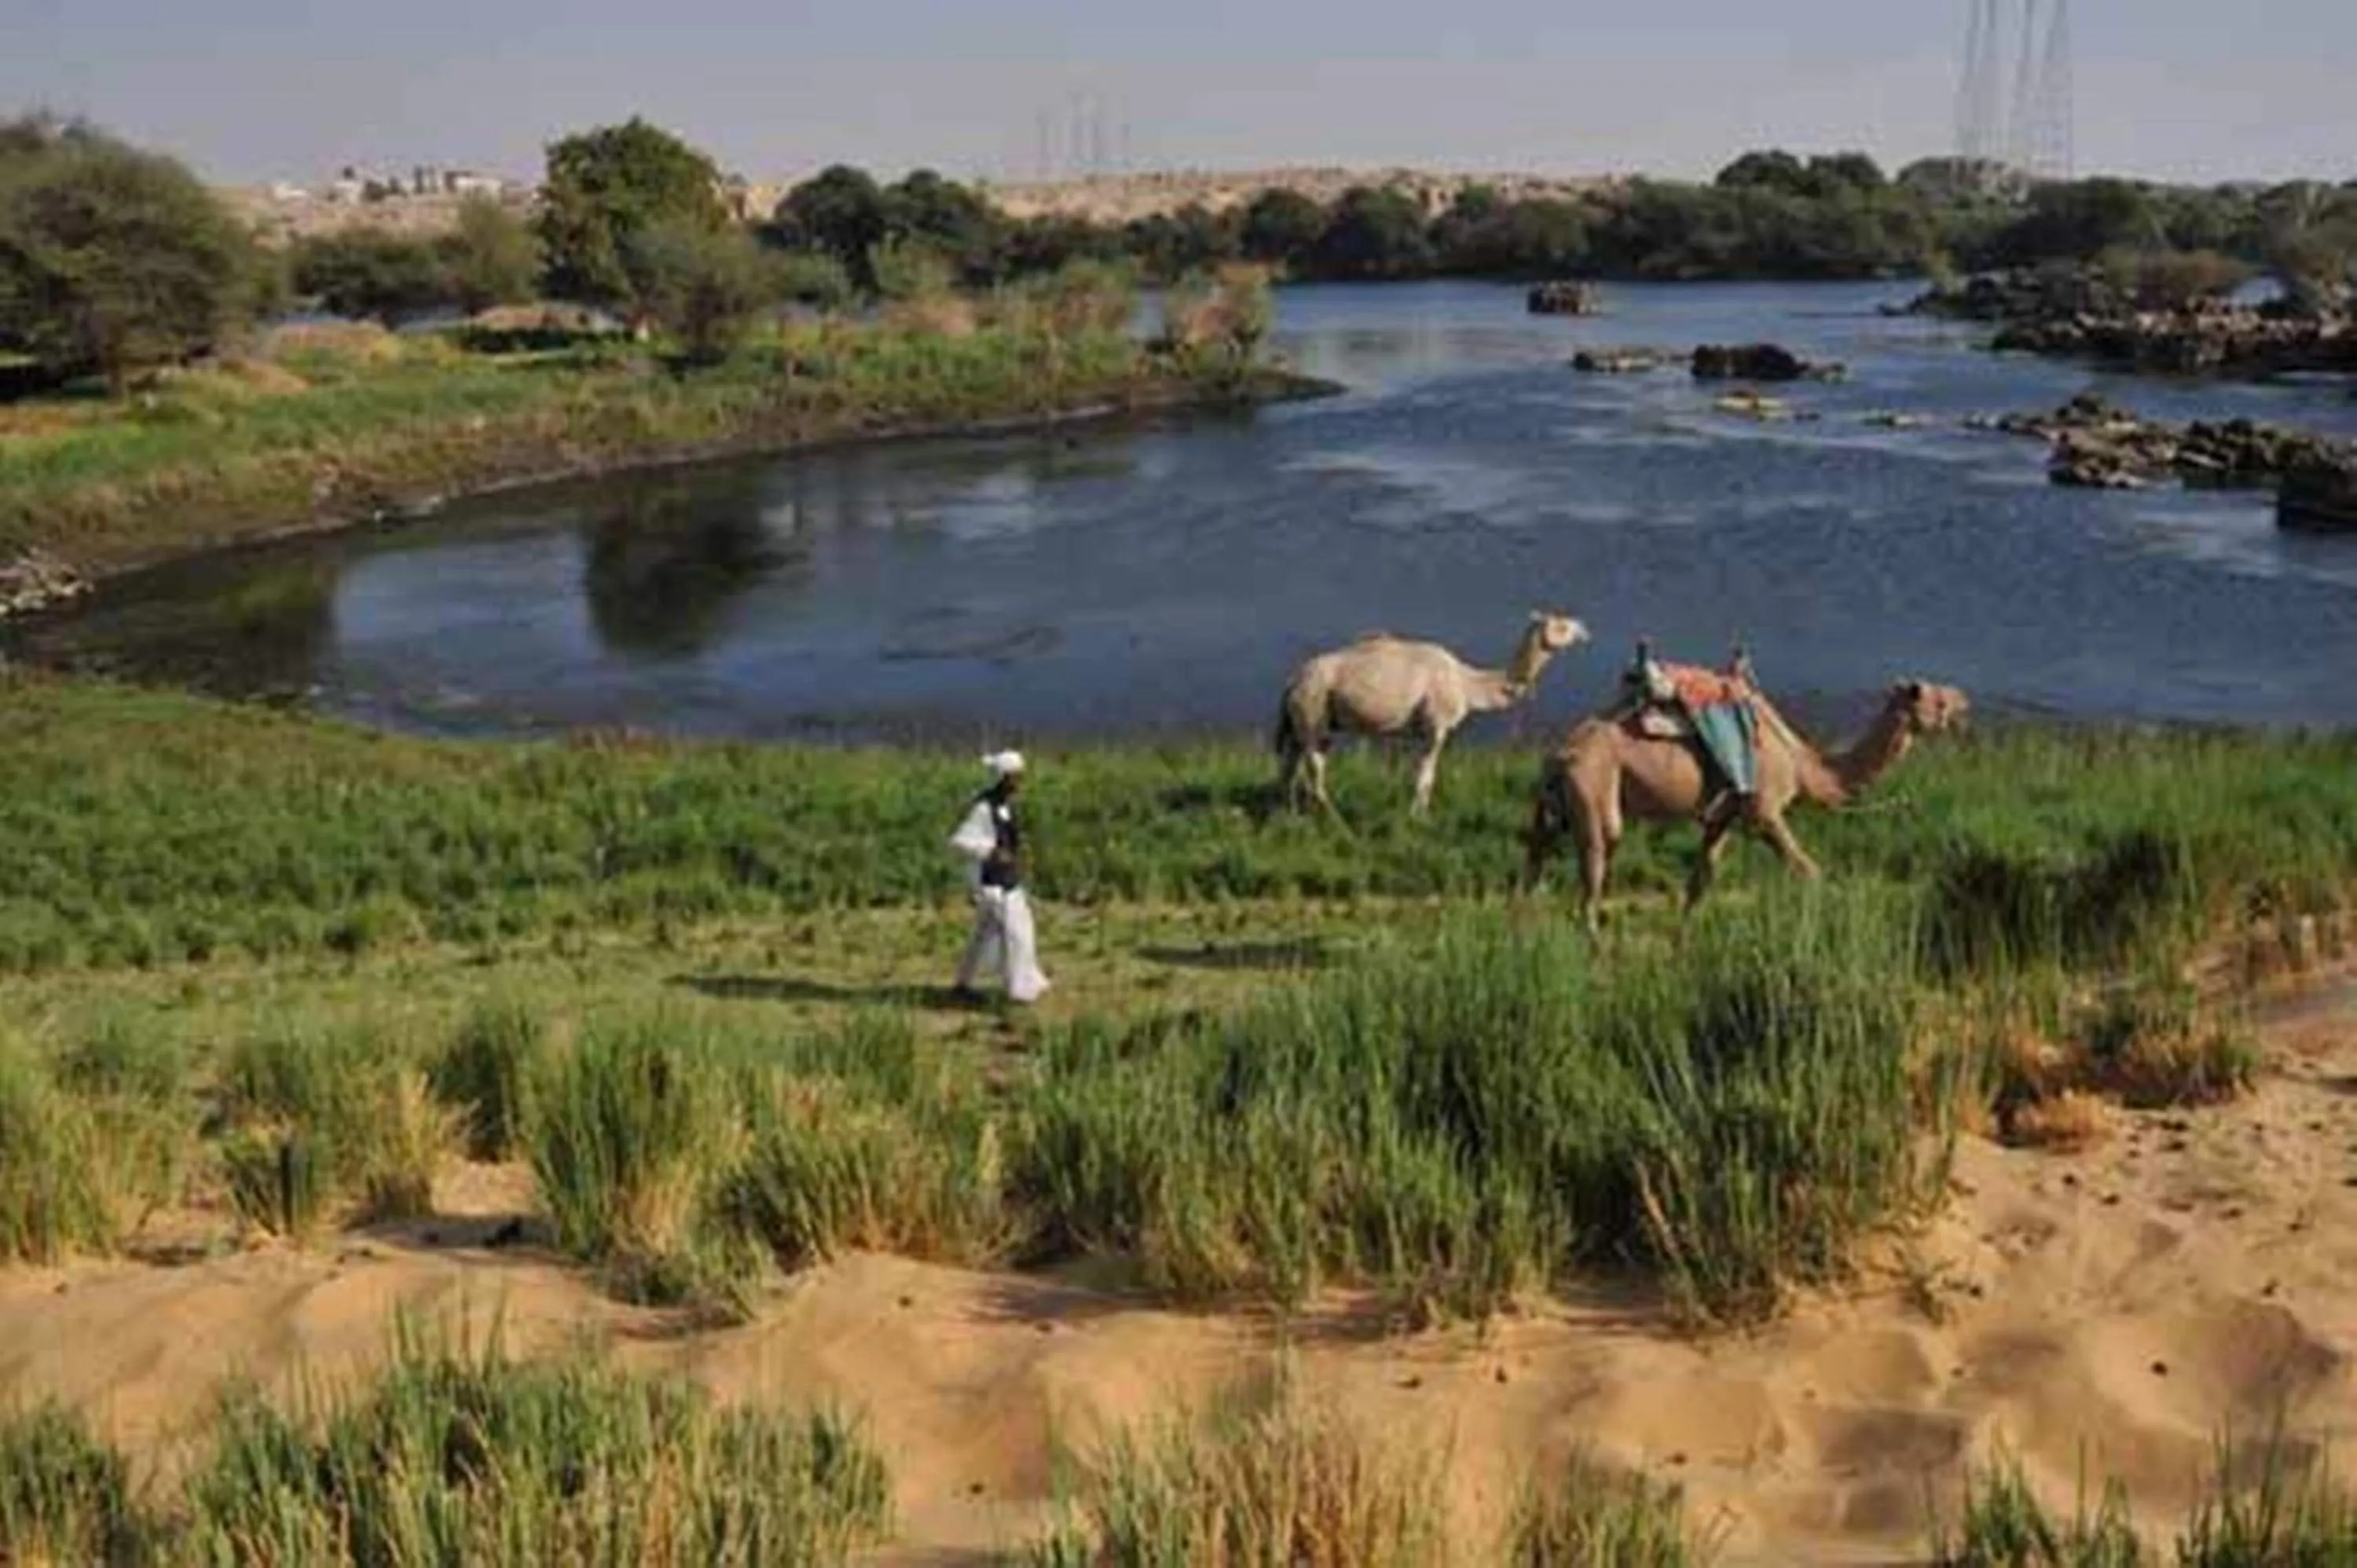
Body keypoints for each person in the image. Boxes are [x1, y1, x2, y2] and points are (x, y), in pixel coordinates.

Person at [949, 750, 1051, 1004]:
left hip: (1005, 878)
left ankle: (964, 981)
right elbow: (959, 841)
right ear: (1003, 779)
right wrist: (991, 852)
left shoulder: (1005, 807)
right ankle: (1019, 989)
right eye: (1016, 778)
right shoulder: (984, 809)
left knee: (983, 934)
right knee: (1018, 933)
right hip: (992, 882)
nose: (1021, 783)